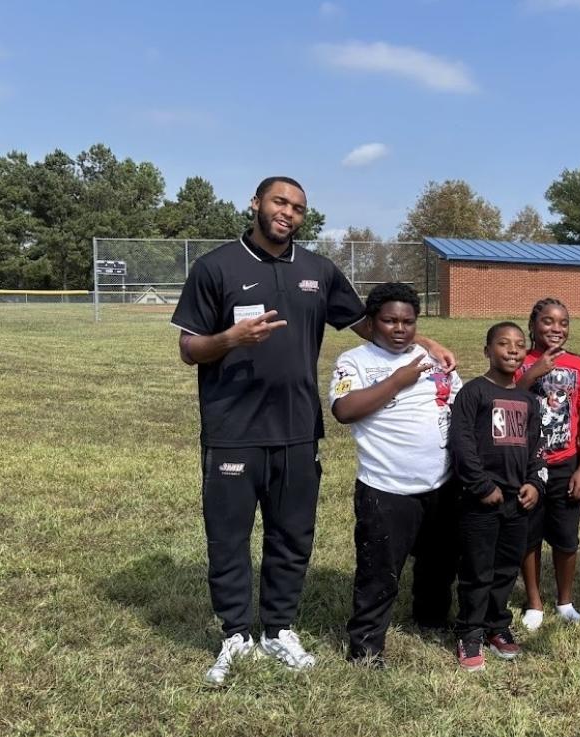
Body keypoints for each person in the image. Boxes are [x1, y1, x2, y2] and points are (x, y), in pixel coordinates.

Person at [171, 176, 455, 686]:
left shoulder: (317, 271)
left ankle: (278, 629)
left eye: (298, 208)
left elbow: (364, 324)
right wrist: (230, 338)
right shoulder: (215, 266)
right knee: (229, 538)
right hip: (232, 429)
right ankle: (235, 633)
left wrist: (424, 340)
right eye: (280, 202)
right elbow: (190, 348)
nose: (288, 213)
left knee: (292, 537)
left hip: (300, 430)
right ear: (256, 203)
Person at [328, 282, 463, 668]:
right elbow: (344, 410)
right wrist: (397, 381)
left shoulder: (433, 358)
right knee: (379, 569)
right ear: (371, 322)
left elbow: (455, 402)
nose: (399, 329)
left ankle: (432, 617)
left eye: (407, 321)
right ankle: (366, 646)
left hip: (440, 481)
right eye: (389, 321)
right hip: (386, 486)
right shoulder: (353, 360)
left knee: (439, 561)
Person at [451, 322, 547, 672]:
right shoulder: (474, 393)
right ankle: (469, 631)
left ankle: (496, 625)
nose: (512, 350)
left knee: (506, 567)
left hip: (517, 502)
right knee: (478, 568)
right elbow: (461, 444)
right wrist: (481, 486)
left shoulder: (528, 400)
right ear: (487, 350)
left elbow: (538, 447)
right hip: (481, 501)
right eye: (503, 344)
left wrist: (535, 483)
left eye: (519, 345)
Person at [515, 299, 580, 630]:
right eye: (547, 322)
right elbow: (506, 399)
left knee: (566, 538)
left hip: (565, 464)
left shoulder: (579, 366)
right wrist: (532, 374)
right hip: (527, 466)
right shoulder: (519, 362)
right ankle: (534, 602)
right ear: (533, 325)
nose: (556, 329)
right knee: (529, 536)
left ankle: (565, 601)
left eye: (563, 323)